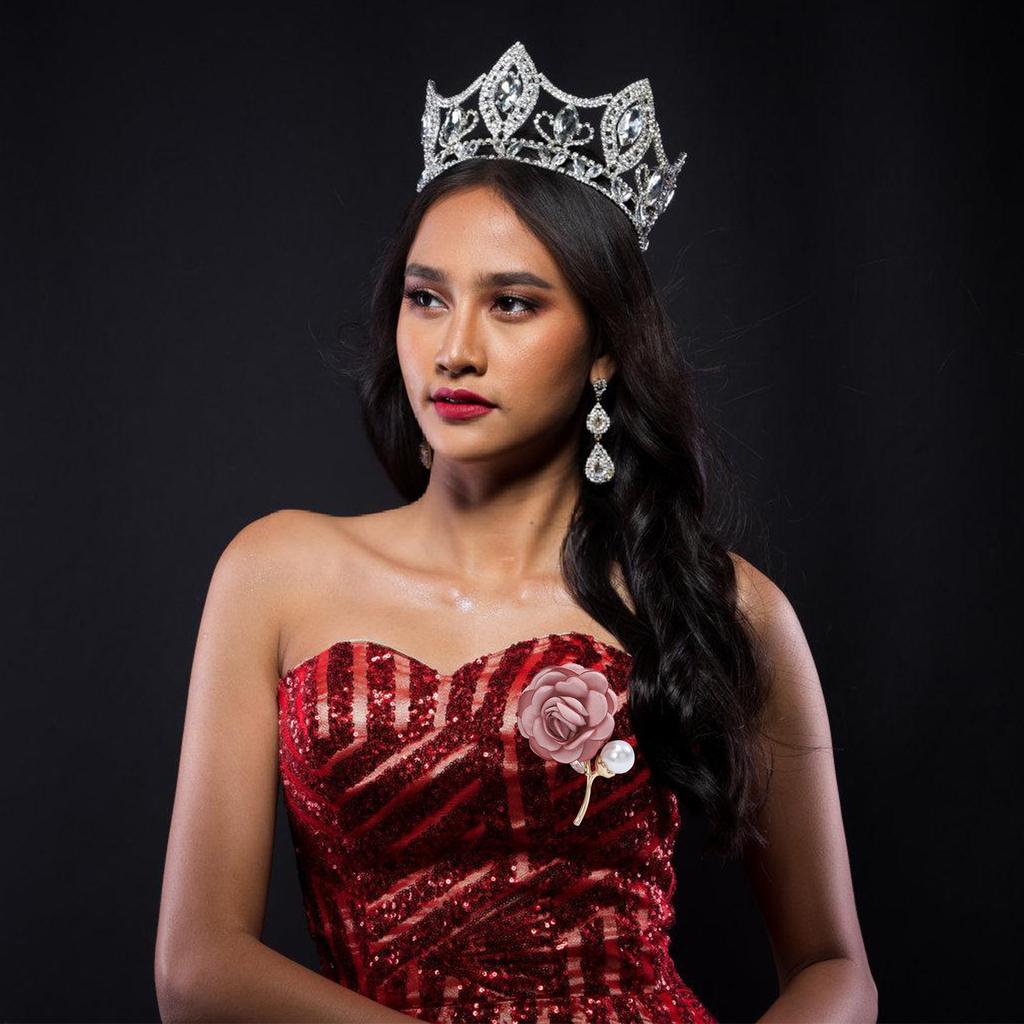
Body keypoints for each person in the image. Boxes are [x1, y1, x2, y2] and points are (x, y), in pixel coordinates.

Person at [155, 41, 877, 1024]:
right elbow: (198, 968)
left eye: (511, 303)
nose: (454, 348)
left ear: (605, 346)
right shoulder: (275, 571)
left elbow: (835, 967)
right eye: (425, 298)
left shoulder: (720, 601)